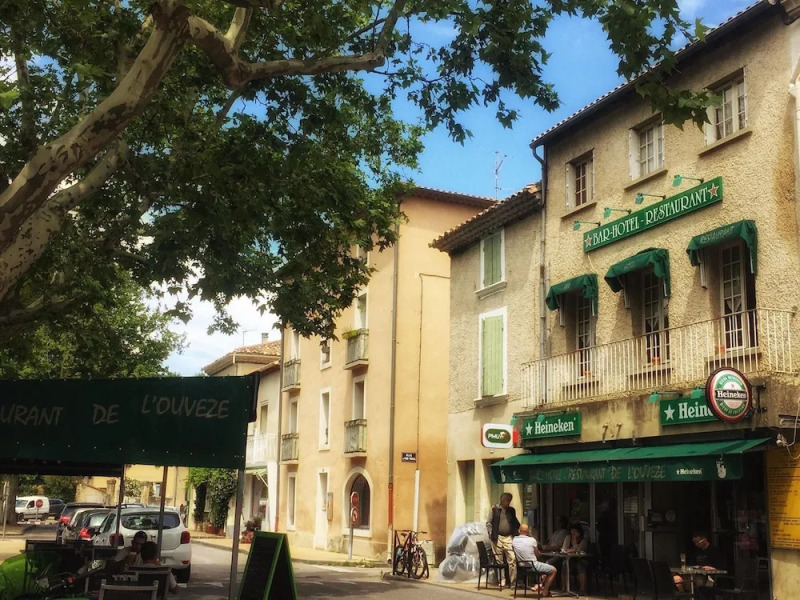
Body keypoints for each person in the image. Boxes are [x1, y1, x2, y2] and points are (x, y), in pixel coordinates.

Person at [512, 524, 557, 597]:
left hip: (521, 566)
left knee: (545, 568)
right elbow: (537, 554)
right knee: (553, 570)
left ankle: (540, 585)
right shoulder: (532, 540)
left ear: (519, 531)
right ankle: (545, 591)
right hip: (533, 566)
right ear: (528, 532)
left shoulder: (514, 540)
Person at [486, 492, 520, 587]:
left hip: (508, 537)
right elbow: (488, 523)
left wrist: (517, 531)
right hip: (497, 537)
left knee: (512, 559)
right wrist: (490, 534)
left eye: (510, 500)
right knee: (499, 560)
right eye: (507, 500)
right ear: (502, 500)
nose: (508, 502)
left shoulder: (511, 510)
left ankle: (513, 582)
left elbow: (515, 522)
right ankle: (502, 580)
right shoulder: (495, 509)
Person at [561, 523, 589, 595]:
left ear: (579, 532)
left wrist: (574, 541)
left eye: (575, 531)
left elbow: (579, 550)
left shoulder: (583, 540)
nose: (573, 533)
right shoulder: (568, 538)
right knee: (564, 564)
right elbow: (564, 548)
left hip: (581, 559)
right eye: (572, 531)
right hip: (570, 559)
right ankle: (564, 587)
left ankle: (582, 589)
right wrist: (571, 550)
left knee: (580, 566)